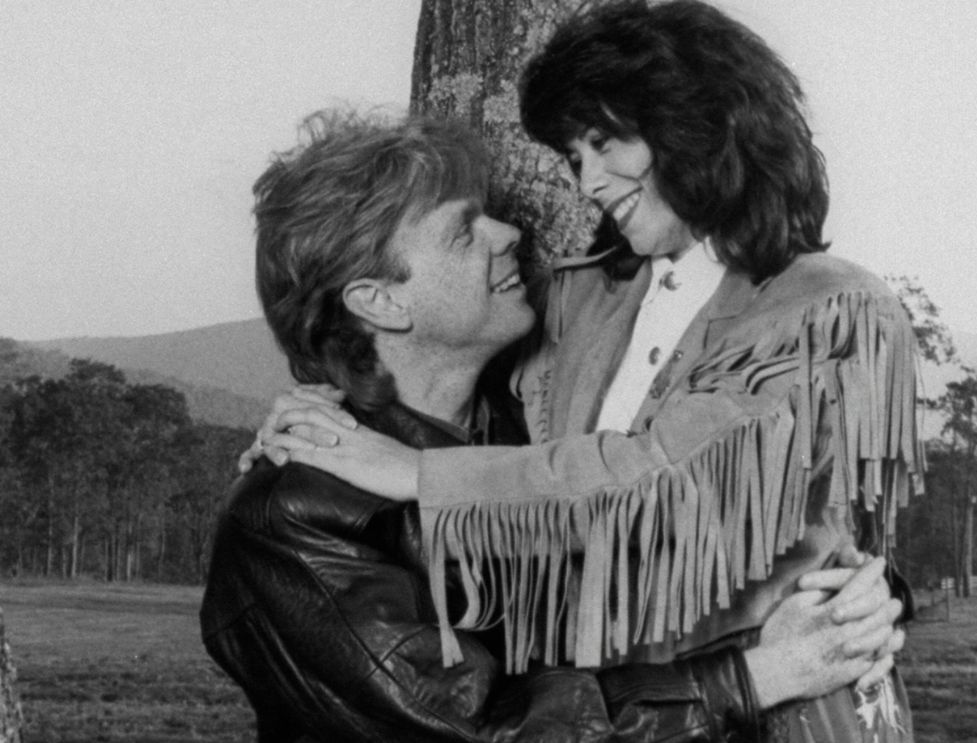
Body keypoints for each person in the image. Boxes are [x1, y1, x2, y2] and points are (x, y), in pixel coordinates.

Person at [247, 2, 925, 740]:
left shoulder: (829, 305)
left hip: (793, 707)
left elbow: (678, 482)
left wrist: (412, 472)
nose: (587, 182)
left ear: (698, 119)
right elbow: (422, 347)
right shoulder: (576, 297)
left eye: (604, 142)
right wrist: (324, 405)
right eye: (573, 157)